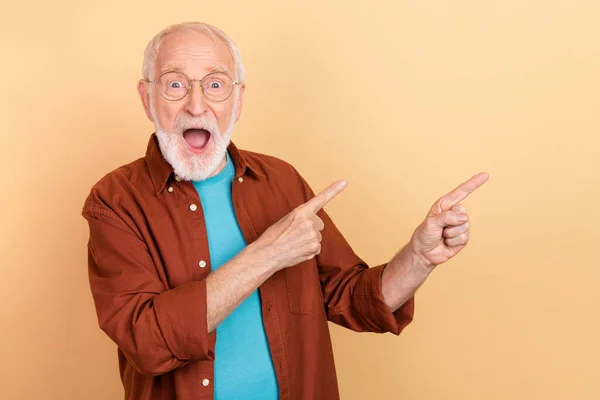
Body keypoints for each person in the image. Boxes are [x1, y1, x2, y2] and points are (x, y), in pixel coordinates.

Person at [82, 21, 488, 400]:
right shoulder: (114, 201)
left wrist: (418, 258)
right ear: (147, 98)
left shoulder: (282, 181)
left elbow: (352, 298)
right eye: (174, 85)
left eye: (216, 84)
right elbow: (146, 341)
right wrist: (268, 254)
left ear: (237, 100)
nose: (196, 104)